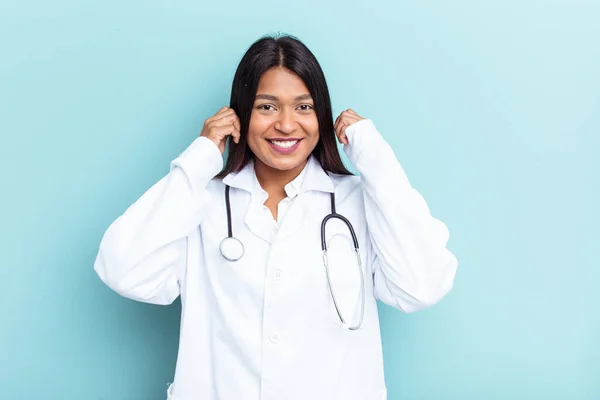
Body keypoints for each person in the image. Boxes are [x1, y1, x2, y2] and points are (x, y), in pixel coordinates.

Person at [94, 34, 458, 400]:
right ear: (239, 114)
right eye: (267, 107)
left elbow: (421, 287)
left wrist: (375, 156)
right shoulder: (199, 203)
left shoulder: (356, 204)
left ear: (322, 116)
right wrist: (201, 157)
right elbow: (123, 269)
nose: (286, 125)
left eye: (303, 107)